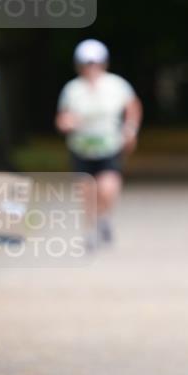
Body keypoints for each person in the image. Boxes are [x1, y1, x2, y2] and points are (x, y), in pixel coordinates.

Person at [55, 39, 142, 248]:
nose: (91, 68)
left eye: (95, 63)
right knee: (87, 192)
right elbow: (62, 117)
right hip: (81, 148)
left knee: (107, 188)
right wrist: (66, 123)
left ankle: (104, 217)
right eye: (87, 63)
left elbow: (133, 106)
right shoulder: (72, 89)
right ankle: (91, 230)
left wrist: (130, 129)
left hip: (109, 146)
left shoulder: (116, 85)